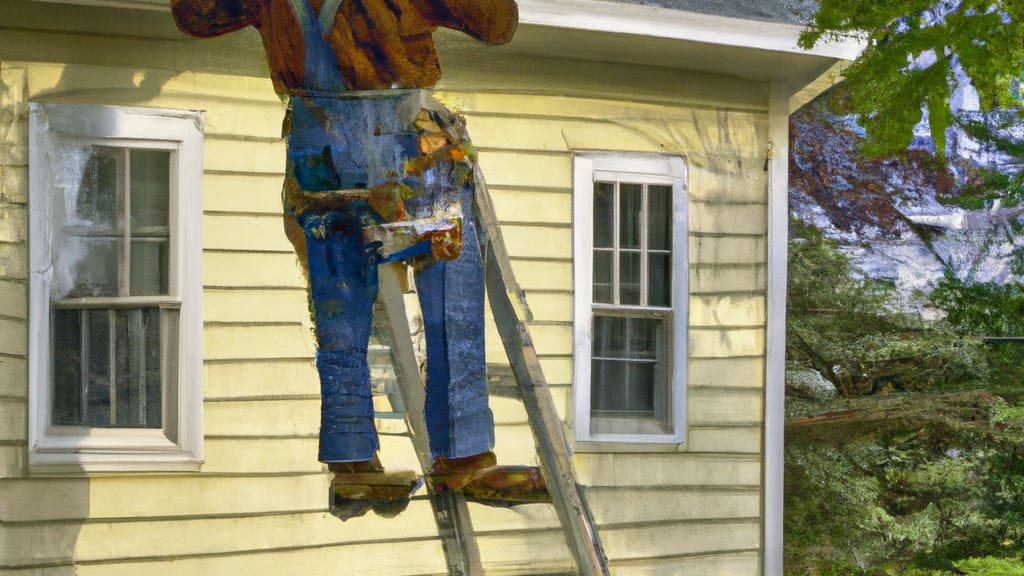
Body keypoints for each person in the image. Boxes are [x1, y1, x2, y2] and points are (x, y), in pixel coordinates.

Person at [171, 0, 546, 506]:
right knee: (343, 307)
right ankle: (386, 463)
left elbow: (495, 23)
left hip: (381, 142)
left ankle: (446, 457)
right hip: (330, 148)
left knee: (435, 287)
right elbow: (194, 14)